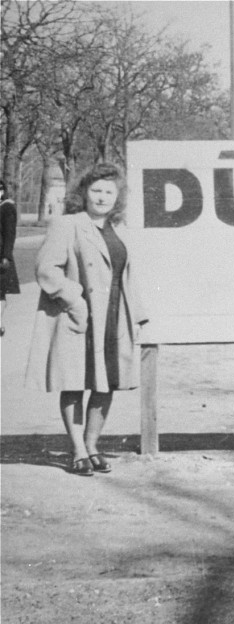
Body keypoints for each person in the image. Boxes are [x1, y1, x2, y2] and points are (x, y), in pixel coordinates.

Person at [25, 163, 148, 476]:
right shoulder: (68, 225)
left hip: (113, 316)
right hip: (79, 317)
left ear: (117, 197)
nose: (103, 197)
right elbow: (46, 269)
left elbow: (126, 276)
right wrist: (74, 299)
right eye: (96, 190)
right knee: (75, 381)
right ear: (84, 193)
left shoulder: (118, 229)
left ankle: (92, 444)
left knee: (106, 382)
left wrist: (137, 314)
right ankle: (77, 449)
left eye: (109, 191)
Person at [0, 179, 20, 336]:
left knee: (0, 292)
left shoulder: (7, 207)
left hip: (1, 255)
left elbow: (9, 234)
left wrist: (6, 256)